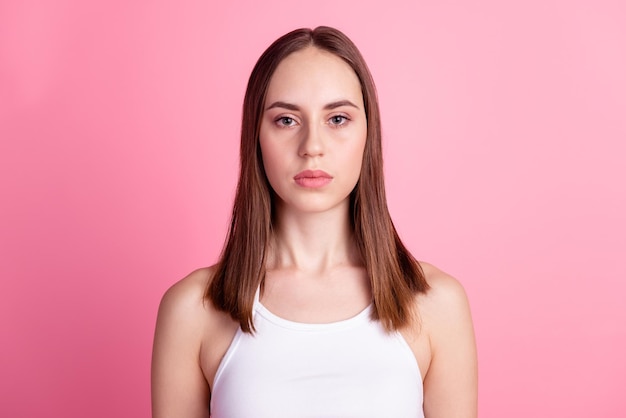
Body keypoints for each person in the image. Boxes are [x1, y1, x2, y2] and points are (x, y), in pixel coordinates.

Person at [151, 26, 477, 418]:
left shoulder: (436, 304)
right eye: (287, 120)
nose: (312, 147)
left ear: (367, 134)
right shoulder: (193, 310)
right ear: (255, 136)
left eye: (337, 119)